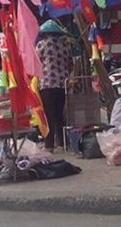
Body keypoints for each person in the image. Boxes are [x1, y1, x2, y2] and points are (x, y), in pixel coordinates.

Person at [36, 20, 74, 152]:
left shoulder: (41, 45)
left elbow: (36, 62)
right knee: (59, 114)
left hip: (47, 85)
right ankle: (63, 143)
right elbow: (70, 64)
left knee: (48, 115)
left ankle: (49, 145)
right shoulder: (65, 46)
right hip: (62, 84)